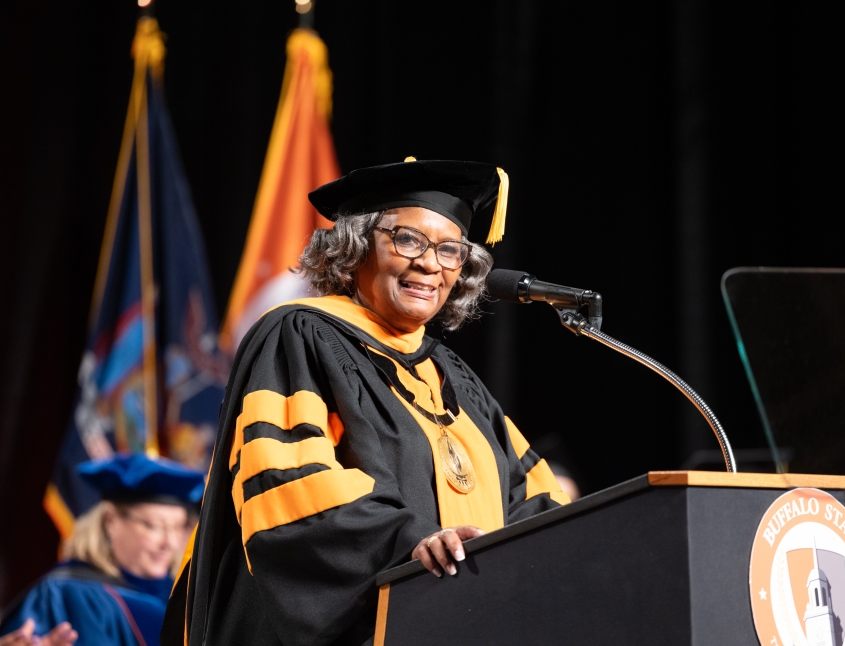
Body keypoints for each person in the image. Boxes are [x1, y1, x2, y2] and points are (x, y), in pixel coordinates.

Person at [163, 159, 570, 646]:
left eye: (450, 250)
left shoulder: (454, 376)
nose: (430, 264)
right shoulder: (301, 333)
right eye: (408, 240)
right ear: (354, 248)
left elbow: (529, 498)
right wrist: (409, 543)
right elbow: (286, 480)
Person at [1, 453, 204, 646]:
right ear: (110, 521)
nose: (169, 543)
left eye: (178, 527)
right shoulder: (68, 595)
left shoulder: (187, 601)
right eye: (154, 525)